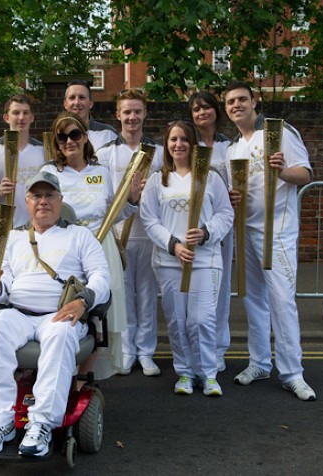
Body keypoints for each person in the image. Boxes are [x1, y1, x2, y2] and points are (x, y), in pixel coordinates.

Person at [0, 171, 110, 457]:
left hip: (60, 314)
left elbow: (101, 277)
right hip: (18, 312)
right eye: (37, 195)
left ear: (60, 200)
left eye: (49, 195)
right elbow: (5, 285)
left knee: (60, 334)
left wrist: (83, 301)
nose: (43, 201)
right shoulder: (12, 238)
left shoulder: (80, 235)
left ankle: (42, 424)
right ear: (27, 201)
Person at [223, 80, 316, 401]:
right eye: (231, 102)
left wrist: (284, 172)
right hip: (245, 231)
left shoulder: (279, 132)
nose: (237, 105)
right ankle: (260, 362)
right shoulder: (233, 148)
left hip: (277, 230)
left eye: (241, 100)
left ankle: (292, 373)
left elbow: (305, 173)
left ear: (254, 101)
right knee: (253, 299)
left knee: (281, 299)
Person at [42, 111, 143, 379]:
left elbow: (112, 214)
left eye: (75, 134)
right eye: (62, 136)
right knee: (65, 307)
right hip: (66, 248)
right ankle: (64, 371)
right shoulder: (49, 172)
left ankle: (86, 377)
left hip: (100, 246)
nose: (69, 141)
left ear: (86, 137)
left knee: (98, 312)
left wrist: (131, 199)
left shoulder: (100, 171)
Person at [141, 120, 233, 396]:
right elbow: (149, 218)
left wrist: (206, 233)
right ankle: (184, 372)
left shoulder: (210, 177)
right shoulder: (158, 180)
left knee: (202, 319)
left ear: (192, 144)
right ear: (166, 146)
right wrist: (173, 245)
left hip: (205, 259)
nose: (178, 145)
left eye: (183, 139)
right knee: (177, 321)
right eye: (173, 140)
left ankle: (208, 373)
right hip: (170, 261)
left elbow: (225, 214)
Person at [96, 88, 164, 377]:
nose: (132, 117)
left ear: (145, 113)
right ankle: (125, 351)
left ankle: (146, 352)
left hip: (148, 235)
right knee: (122, 296)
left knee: (147, 295)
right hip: (117, 234)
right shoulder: (105, 153)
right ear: (118, 115)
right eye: (127, 112)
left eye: (137, 111)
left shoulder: (158, 153)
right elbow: (101, 194)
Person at [188, 91, 233, 373]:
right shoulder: (187, 145)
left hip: (221, 224)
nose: (201, 113)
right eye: (195, 109)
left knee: (221, 289)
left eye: (206, 107)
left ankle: (218, 348)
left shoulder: (229, 146)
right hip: (193, 227)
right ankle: (196, 349)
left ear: (216, 111)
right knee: (195, 292)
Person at [0, 94, 45, 228]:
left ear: (32, 117)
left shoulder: (43, 150)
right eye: (16, 113)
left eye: (25, 113)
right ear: (6, 117)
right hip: (3, 226)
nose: (21, 118)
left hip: (37, 224)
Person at [63, 79, 118, 150]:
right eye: (72, 98)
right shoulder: (59, 135)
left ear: (91, 103)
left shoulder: (108, 134)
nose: (77, 103)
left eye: (82, 97)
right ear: (65, 104)